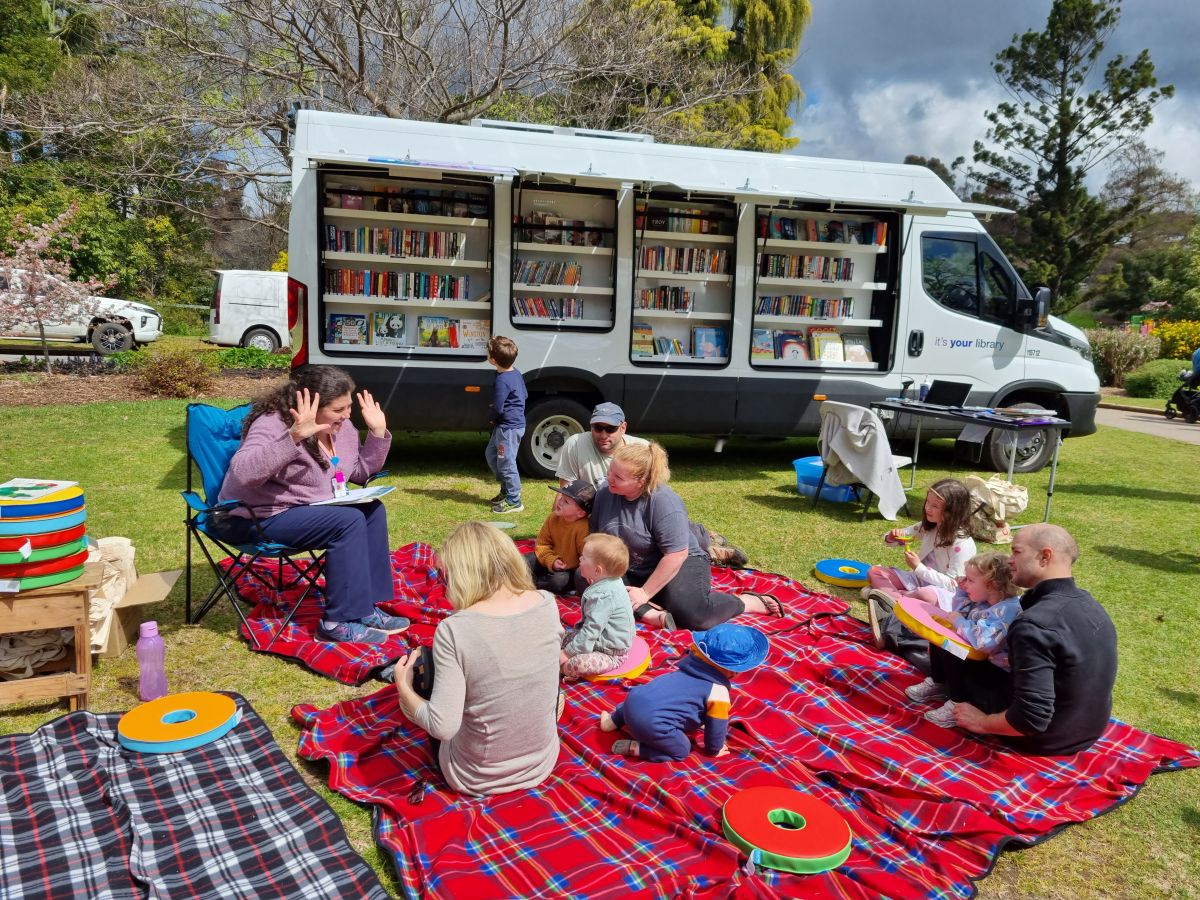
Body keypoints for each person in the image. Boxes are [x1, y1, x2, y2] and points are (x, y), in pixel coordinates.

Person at [217, 365, 410, 643]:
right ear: (311, 404)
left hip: (307, 512)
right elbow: (244, 473)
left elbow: (358, 472)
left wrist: (378, 433)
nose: (346, 415)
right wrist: (294, 436)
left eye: (348, 408)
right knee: (347, 521)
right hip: (255, 517)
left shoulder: (342, 429)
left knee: (371, 510)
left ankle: (364, 608)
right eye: (338, 409)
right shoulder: (273, 423)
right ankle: (335, 623)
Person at [393, 521, 563, 795]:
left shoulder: (455, 629)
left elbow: (442, 726)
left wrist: (404, 686)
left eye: (444, 576)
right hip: (542, 762)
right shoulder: (545, 602)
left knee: (427, 670)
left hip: (477, 775)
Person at [951, 524, 1118, 756]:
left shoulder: (1034, 624)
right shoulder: (1090, 604)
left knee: (954, 656)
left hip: (1044, 738)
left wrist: (983, 722)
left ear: (1044, 556)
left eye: (1017, 552)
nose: (1009, 560)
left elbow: (1031, 718)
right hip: (1085, 731)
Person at [588, 441, 784, 630]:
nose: (609, 478)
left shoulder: (663, 502)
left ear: (641, 482)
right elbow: (597, 539)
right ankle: (647, 612)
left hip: (679, 561)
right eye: (610, 471)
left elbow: (676, 554)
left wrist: (645, 592)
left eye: (618, 477)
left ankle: (745, 602)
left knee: (695, 614)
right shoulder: (605, 493)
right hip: (633, 567)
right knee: (586, 577)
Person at [556, 402, 747, 568]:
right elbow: (565, 490)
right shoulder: (575, 445)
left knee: (669, 536)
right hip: (599, 514)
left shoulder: (642, 449)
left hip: (638, 513)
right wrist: (558, 523)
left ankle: (708, 543)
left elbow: (655, 495)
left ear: (623, 428)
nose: (603, 434)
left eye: (610, 429)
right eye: (598, 428)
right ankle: (711, 548)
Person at [598, 623, 768, 760]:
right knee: (682, 750)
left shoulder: (685, 668)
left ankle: (611, 722)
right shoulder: (718, 693)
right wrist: (714, 750)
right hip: (651, 726)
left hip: (630, 703)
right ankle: (637, 748)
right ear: (734, 671)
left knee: (644, 697)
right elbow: (716, 728)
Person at [901, 552, 1024, 728]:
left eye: (970, 581)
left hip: (996, 673)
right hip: (979, 660)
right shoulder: (985, 600)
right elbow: (959, 611)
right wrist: (961, 591)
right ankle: (939, 683)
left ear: (991, 585)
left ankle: (958, 702)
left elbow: (984, 643)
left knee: (953, 648)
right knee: (943, 635)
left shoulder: (1007, 610)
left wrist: (959, 622)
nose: (966, 583)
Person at [864, 479, 977, 667]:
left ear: (952, 511)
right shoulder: (930, 525)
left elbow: (954, 584)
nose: (928, 508)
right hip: (918, 581)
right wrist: (892, 537)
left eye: (935, 506)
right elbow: (903, 536)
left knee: (924, 594)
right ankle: (896, 601)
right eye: (928, 502)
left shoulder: (962, 543)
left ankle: (891, 601)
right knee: (875, 572)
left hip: (944, 594)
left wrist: (919, 568)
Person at [560, 533, 635, 679]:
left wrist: (566, 654)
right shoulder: (612, 580)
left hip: (611, 652)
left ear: (598, 570)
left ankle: (563, 668)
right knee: (561, 637)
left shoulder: (603, 597)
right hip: (602, 640)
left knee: (574, 664)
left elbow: (591, 631)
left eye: (584, 557)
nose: (580, 559)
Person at [523, 480, 593, 594]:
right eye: (561, 498)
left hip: (568, 570)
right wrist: (552, 560)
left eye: (566, 501)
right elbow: (542, 544)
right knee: (522, 561)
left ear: (580, 513)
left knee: (558, 581)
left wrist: (563, 566)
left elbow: (585, 558)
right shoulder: (553, 517)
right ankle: (517, 578)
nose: (559, 502)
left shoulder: (583, 528)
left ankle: (531, 583)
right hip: (549, 560)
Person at [485, 335, 528, 514]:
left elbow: (498, 406)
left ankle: (514, 500)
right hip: (507, 426)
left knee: (507, 463)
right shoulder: (514, 372)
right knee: (491, 454)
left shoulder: (502, 380)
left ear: (493, 360)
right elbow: (524, 394)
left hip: (508, 428)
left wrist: (492, 416)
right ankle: (505, 489)